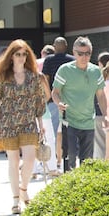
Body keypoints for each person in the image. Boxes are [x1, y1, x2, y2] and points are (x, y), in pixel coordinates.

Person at [0, 40, 46, 214]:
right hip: (8, 124)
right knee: (13, 161)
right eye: (18, 54)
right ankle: (15, 200)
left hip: (28, 123)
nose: (21, 57)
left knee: (29, 159)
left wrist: (41, 124)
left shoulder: (33, 76)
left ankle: (23, 189)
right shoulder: (3, 77)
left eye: (24, 54)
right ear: (11, 56)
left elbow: (39, 100)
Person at [51, 36, 109, 171]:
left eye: (87, 53)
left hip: (88, 120)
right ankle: (68, 189)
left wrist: (106, 115)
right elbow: (55, 92)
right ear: (74, 52)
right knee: (70, 158)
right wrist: (59, 103)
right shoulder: (64, 70)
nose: (84, 57)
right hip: (69, 121)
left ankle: (83, 189)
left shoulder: (95, 71)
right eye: (80, 54)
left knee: (87, 161)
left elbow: (101, 95)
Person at [42, 36, 75, 170]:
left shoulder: (49, 60)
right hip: (69, 100)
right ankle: (67, 159)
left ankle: (54, 161)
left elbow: (45, 79)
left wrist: (46, 96)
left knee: (53, 132)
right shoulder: (72, 60)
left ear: (54, 47)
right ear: (66, 46)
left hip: (53, 100)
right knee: (69, 131)